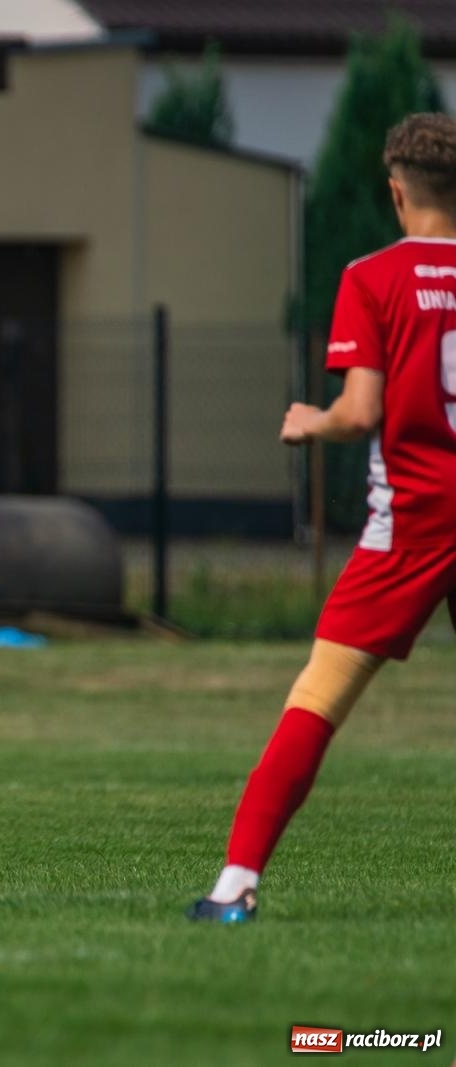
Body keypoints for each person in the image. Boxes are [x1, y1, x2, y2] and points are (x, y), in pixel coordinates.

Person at [187, 113, 456, 922]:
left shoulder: (372, 277)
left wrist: (314, 419)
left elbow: (362, 409)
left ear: (395, 192)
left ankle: (236, 885)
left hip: (412, 520)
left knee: (319, 695)